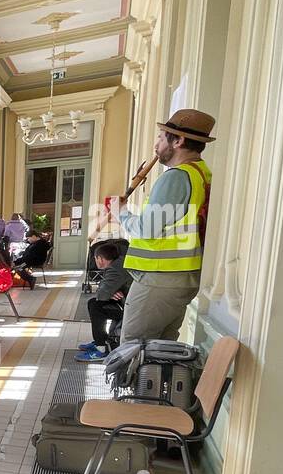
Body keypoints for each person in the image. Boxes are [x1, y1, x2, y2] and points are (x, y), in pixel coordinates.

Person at [108, 108, 217, 343]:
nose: (156, 144)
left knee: (134, 348)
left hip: (159, 280)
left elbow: (147, 229)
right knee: (161, 350)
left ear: (178, 141)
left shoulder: (175, 177)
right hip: (179, 278)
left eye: (160, 137)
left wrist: (121, 213)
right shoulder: (201, 173)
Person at [77, 243, 133, 362]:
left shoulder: (115, 269)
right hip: (128, 303)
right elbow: (104, 288)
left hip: (132, 310)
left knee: (96, 306)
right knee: (94, 303)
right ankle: (101, 340)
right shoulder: (119, 262)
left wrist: (108, 292)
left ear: (100, 259)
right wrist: (111, 291)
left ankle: (101, 349)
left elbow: (101, 295)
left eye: (95, 258)